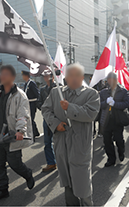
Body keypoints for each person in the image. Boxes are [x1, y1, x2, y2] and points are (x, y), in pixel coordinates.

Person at [42, 63, 100, 206]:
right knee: (67, 179)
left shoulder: (91, 94)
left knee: (83, 183)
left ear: (82, 77)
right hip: (61, 143)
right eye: (70, 75)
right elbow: (45, 109)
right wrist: (56, 124)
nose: (74, 78)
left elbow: (90, 114)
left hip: (80, 145)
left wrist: (69, 107)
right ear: (65, 77)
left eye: (77, 75)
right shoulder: (56, 92)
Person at [0, 65, 34, 202]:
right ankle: (3, 190)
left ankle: (28, 174)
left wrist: (20, 130)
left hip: (11, 136)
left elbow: (23, 115)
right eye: (1, 74)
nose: (2, 77)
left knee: (15, 164)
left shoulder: (20, 95)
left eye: (5, 74)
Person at [100, 72, 129, 167]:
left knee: (118, 139)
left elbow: (126, 104)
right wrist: (106, 102)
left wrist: (115, 104)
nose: (111, 81)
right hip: (106, 120)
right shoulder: (103, 92)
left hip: (117, 120)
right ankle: (111, 159)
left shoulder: (123, 91)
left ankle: (121, 152)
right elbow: (99, 105)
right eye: (109, 79)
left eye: (113, 79)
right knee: (107, 141)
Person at [37, 72, 57, 172]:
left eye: (48, 76)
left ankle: (63, 162)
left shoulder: (58, 88)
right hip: (46, 118)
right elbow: (39, 102)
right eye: (44, 76)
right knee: (47, 142)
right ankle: (51, 163)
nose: (46, 78)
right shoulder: (42, 89)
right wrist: (45, 109)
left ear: (53, 76)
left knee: (59, 142)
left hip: (57, 118)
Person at [22, 70, 40, 140]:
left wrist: (37, 103)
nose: (22, 76)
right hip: (28, 104)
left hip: (32, 104)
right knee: (30, 119)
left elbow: (37, 93)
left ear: (26, 76)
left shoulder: (31, 83)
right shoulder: (26, 83)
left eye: (23, 75)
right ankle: (36, 132)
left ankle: (33, 136)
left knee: (31, 119)